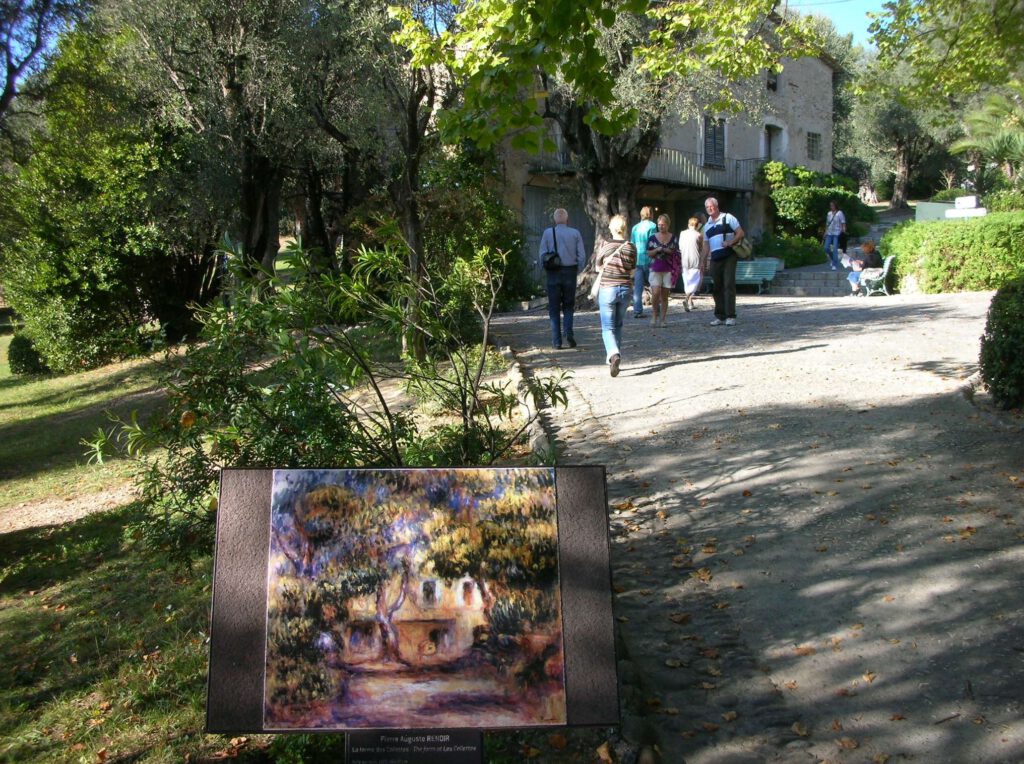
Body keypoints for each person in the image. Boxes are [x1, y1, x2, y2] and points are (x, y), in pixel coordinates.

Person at [537, 208, 587, 349]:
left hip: (553, 273)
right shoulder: (575, 233)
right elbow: (581, 255)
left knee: (554, 308)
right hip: (570, 271)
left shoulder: (548, 233)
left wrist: (544, 268)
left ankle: (556, 341)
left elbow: (542, 254)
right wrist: (578, 268)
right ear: (567, 219)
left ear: (554, 220)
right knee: (568, 305)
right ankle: (568, 332)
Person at [594, 215, 637, 377]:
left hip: (608, 290)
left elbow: (598, 268)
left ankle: (613, 354)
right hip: (625, 289)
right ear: (625, 229)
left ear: (612, 228)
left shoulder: (605, 245)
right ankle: (614, 358)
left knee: (607, 327)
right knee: (618, 324)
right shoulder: (631, 247)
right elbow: (632, 270)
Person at [702, 197, 745, 326]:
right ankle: (720, 316)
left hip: (729, 256)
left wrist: (730, 242)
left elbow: (740, 233)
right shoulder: (707, 226)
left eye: (711, 206)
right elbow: (705, 246)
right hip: (715, 258)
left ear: (716, 206)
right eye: (707, 207)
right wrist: (701, 261)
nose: (710, 208)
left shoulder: (728, 218)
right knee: (717, 287)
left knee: (728, 285)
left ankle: (731, 315)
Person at [645, 214, 680, 328]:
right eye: (659, 225)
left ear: (668, 225)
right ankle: (654, 315)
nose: (661, 227)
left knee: (665, 295)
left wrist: (665, 250)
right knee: (655, 293)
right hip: (655, 268)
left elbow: (675, 251)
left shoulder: (673, 237)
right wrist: (657, 249)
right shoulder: (652, 238)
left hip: (668, 268)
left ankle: (663, 319)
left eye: (663, 225)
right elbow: (649, 253)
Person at [630, 206, 657, 318]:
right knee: (654, 285)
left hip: (638, 259)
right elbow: (653, 242)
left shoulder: (635, 228)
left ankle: (637, 310)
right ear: (650, 214)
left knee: (638, 287)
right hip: (650, 258)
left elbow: (632, 243)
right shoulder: (653, 226)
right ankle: (656, 309)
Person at [678, 216, 703, 312]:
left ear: (689, 224)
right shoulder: (698, 235)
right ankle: (686, 298)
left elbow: (680, 246)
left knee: (687, 281)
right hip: (694, 259)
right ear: (697, 226)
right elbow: (701, 248)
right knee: (695, 281)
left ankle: (690, 302)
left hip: (684, 259)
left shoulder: (682, 233)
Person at [824, 200, 846, 271]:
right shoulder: (829, 213)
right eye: (830, 205)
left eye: (832, 205)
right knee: (826, 248)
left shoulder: (839, 213)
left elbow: (843, 222)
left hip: (837, 233)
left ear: (835, 206)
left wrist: (843, 229)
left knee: (835, 249)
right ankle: (833, 259)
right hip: (829, 233)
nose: (831, 207)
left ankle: (834, 264)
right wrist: (825, 232)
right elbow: (827, 223)